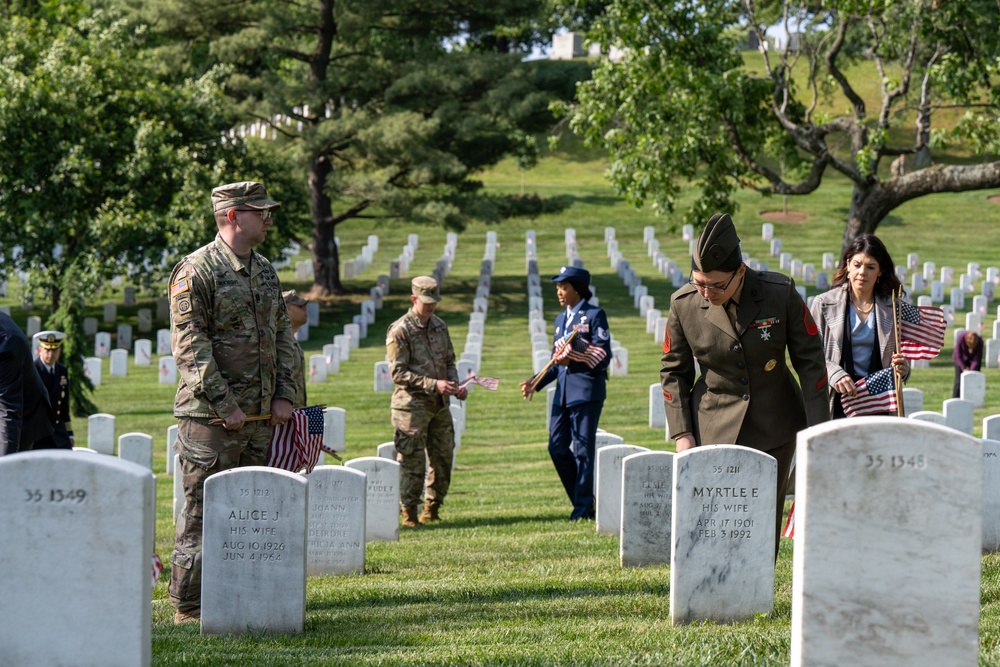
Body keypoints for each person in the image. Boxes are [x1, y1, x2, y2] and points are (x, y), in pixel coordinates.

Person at [167, 181, 298, 624]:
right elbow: (190, 348)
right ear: (233, 216)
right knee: (203, 514)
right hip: (211, 418)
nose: (268, 218)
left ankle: (245, 592)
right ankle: (189, 603)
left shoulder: (264, 270)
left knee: (254, 515)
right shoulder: (196, 270)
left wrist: (286, 396)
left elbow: (283, 336)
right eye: (260, 211)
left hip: (261, 417)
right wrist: (226, 405)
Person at [660, 213, 829, 552]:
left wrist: (817, 431)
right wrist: (682, 434)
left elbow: (810, 362)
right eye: (699, 283)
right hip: (712, 425)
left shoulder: (777, 293)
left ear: (740, 272)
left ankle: (757, 596)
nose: (707, 293)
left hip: (775, 423)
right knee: (713, 523)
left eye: (717, 285)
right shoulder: (683, 305)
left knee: (763, 522)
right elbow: (673, 370)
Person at [520, 266, 612, 521]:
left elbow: (603, 355)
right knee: (557, 447)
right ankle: (583, 499)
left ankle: (582, 510)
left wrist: (573, 358)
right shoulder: (561, 320)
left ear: (578, 289)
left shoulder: (594, 315)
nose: (559, 292)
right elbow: (555, 361)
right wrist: (535, 382)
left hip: (586, 391)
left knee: (583, 451)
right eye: (558, 287)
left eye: (564, 287)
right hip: (562, 394)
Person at [386, 276, 466, 527]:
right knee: (412, 460)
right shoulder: (400, 330)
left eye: (434, 302)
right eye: (426, 302)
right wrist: (434, 384)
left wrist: (455, 385)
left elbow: (449, 361)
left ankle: (432, 506)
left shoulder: (439, 326)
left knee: (443, 456)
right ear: (413, 299)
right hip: (411, 408)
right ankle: (408, 510)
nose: (431, 307)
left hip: (439, 405)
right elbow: (397, 373)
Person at [809, 234, 910, 418]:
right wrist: (833, 373)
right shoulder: (823, 304)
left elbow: (902, 352)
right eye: (857, 265)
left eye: (870, 267)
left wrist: (904, 368)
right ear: (848, 265)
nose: (862, 272)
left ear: (880, 271)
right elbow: (810, 353)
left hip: (880, 402)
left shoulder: (894, 307)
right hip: (838, 399)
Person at [0, 312, 54, 455]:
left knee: (10, 471)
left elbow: (8, 411)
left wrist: (5, 466)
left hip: (21, 418)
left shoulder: (7, 344)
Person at [32, 331, 74, 449]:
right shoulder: (32, 370)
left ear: (59, 350)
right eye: (47, 350)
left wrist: (70, 434)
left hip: (58, 430)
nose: (50, 354)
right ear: (40, 350)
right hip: (38, 432)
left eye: (54, 350)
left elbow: (64, 405)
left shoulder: (62, 371)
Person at [282, 290, 309, 408]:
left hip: (295, 414)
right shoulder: (280, 344)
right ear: (284, 309)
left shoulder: (292, 340)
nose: (305, 309)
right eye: (300, 306)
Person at [952, 330, 983, 398]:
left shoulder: (980, 342)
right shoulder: (961, 338)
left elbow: (977, 359)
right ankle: (956, 397)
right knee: (958, 381)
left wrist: (971, 371)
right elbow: (958, 355)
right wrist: (964, 368)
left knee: (975, 377)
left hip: (972, 359)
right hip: (960, 359)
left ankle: (974, 397)